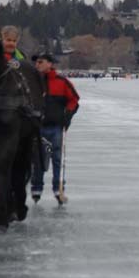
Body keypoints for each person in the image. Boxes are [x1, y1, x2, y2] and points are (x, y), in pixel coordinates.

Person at [30, 53, 80, 205]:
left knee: (57, 159)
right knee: (37, 159)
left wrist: (67, 115)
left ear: (50, 64)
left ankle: (58, 189)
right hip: (37, 127)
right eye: (36, 62)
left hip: (56, 127)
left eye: (41, 62)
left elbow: (74, 99)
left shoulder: (61, 82)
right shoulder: (32, 81)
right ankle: (36, 188)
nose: (37, 65)